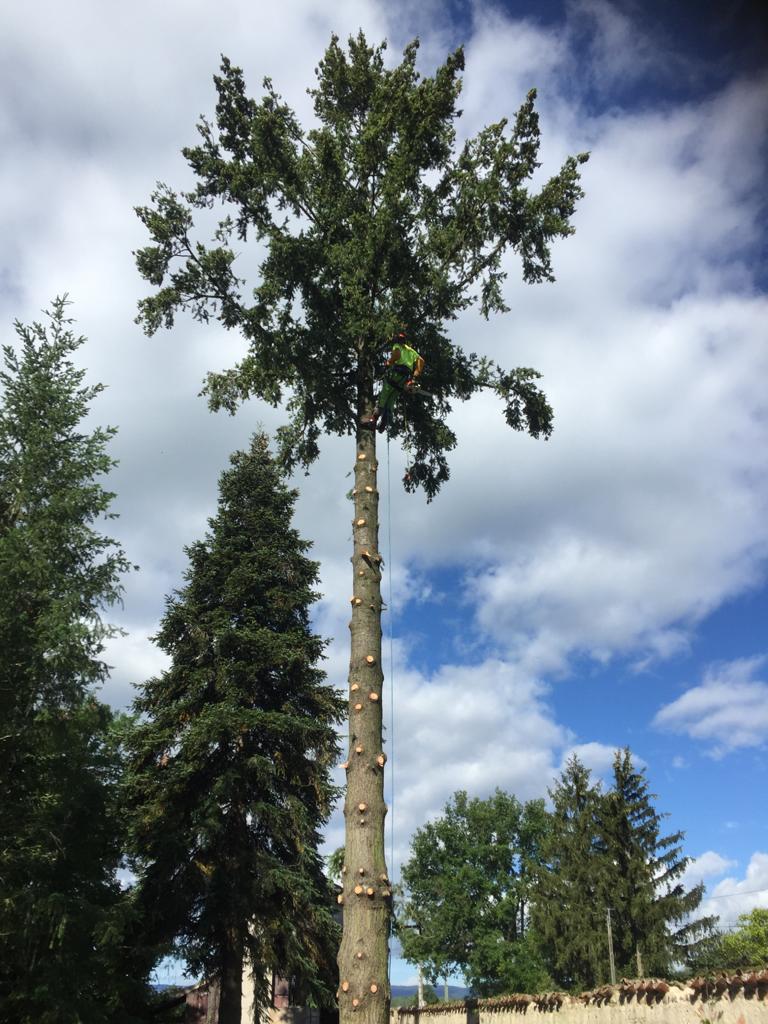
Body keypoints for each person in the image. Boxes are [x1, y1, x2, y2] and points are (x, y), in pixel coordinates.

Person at [360, 331, 425, 433]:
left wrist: (388, 363)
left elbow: (397, 354)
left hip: (394, 376)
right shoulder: (411, 351)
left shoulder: (396, 346)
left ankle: (372, 421)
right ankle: (384, 423)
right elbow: (421, 360)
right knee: (390, 402)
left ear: (398, 340)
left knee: (383, 398)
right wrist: (414, 378)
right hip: (404, 380)